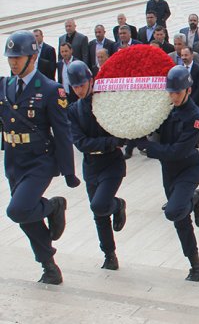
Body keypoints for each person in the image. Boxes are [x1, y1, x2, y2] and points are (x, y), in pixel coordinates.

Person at [1, 30, 80, 284]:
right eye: (10, 57)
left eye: (18, 57)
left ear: (33, 57)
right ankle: (49, 266)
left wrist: (68, 171)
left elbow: (62, 132)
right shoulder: (5, 86)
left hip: (39, 161)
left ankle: (53, 206)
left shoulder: (49, 89)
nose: (13, 62)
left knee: (18, 209)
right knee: (26, 217)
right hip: (14, 161)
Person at [134, 65, 199, 281]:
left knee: (173, 211)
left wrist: (148, 148)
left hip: (189, 167)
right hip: (169, 170)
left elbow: (178, 151)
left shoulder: (196, 117)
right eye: (171, 92)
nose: (173, 96)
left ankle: (196, 198)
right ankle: (195, 265)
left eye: (177, 92)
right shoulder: (165, 109)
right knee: (180, 219)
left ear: (187, 90)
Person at [66, 61, 127, 270]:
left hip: (112, 165)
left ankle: (117, 205)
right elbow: (80, 142)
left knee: (99, 205)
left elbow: (120, 134)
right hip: (92, 165)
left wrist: (111, 142)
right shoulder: (74, 110)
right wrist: (108, 143)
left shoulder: (106, 102)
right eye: (75, 87)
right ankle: (109, 254)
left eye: (81, 85)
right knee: (98, 214)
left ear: (91, 81)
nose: (78, 90)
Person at [181, 46, 199, 150]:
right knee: (189, 124)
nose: (184, 57)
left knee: (198, 124)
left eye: (186, 55)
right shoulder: (179, 69)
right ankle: (194, 144)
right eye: (182, 55)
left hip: (197, 102)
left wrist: (191, 101)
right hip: (183, 103)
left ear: (192, 55)